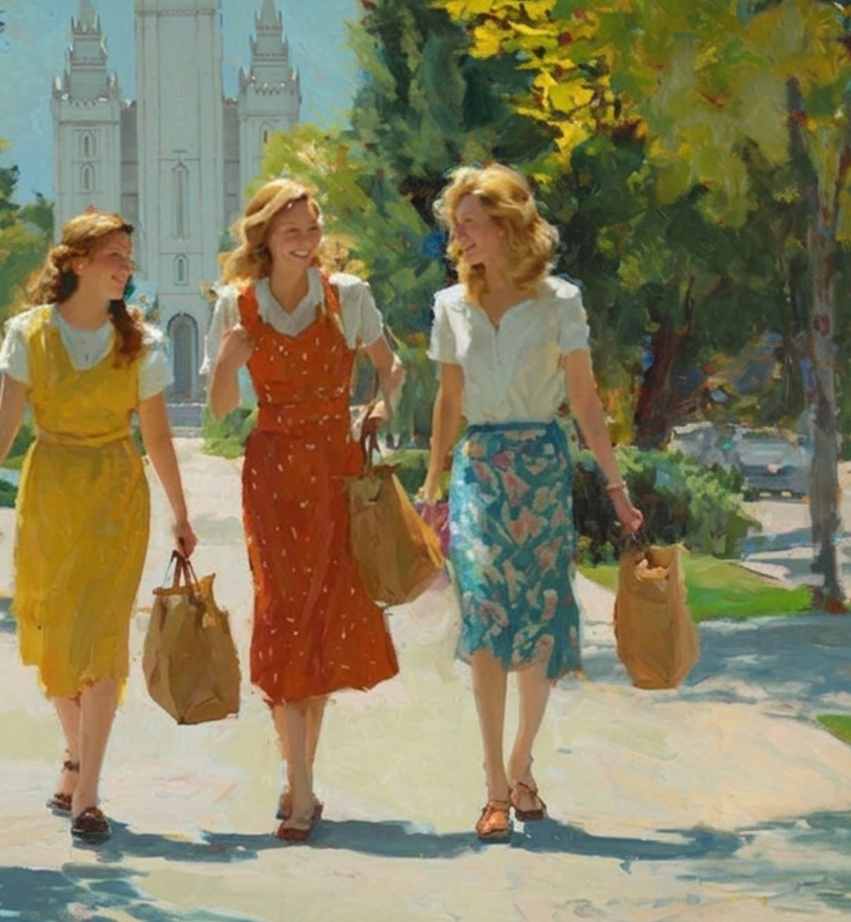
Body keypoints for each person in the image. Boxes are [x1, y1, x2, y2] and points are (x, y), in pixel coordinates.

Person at [0, 210, 197, 843]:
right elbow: (4, 422)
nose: (124, 268)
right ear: (78, 263)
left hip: (116, 494)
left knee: (101, 637)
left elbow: (159, 435)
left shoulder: (140, 342)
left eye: (128, 258)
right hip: (51, 491)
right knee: (51, 634)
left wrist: (180, 512)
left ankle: (88, 795)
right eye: (113, 256)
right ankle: (75, 753)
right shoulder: (28, 335)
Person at [418, 164, 645, 842]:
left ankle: (521, 764)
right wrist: (431, 484)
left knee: (541, 626)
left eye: (471, 223)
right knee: (486, 619)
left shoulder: (560, 301)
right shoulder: (449, 306)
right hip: (480, 469)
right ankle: (494, 787)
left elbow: (585, 403)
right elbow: (448, 402)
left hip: (542, 468)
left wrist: (615, 488)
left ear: (509, 227)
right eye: (454, 225)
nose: (459, 237)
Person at [203, 178, 405, 841]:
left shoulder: (347, 297)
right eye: (292, 232)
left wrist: (379, 408)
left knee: (319, 618)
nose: (305, 243)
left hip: (334, 469)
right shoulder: (236, 306)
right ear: (264, 237)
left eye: (312, 230)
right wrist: (227, 367)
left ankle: (300, 784)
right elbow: (222, 409)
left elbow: (390, 367)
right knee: (282, 613)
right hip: (271, 474)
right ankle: (300, 786)